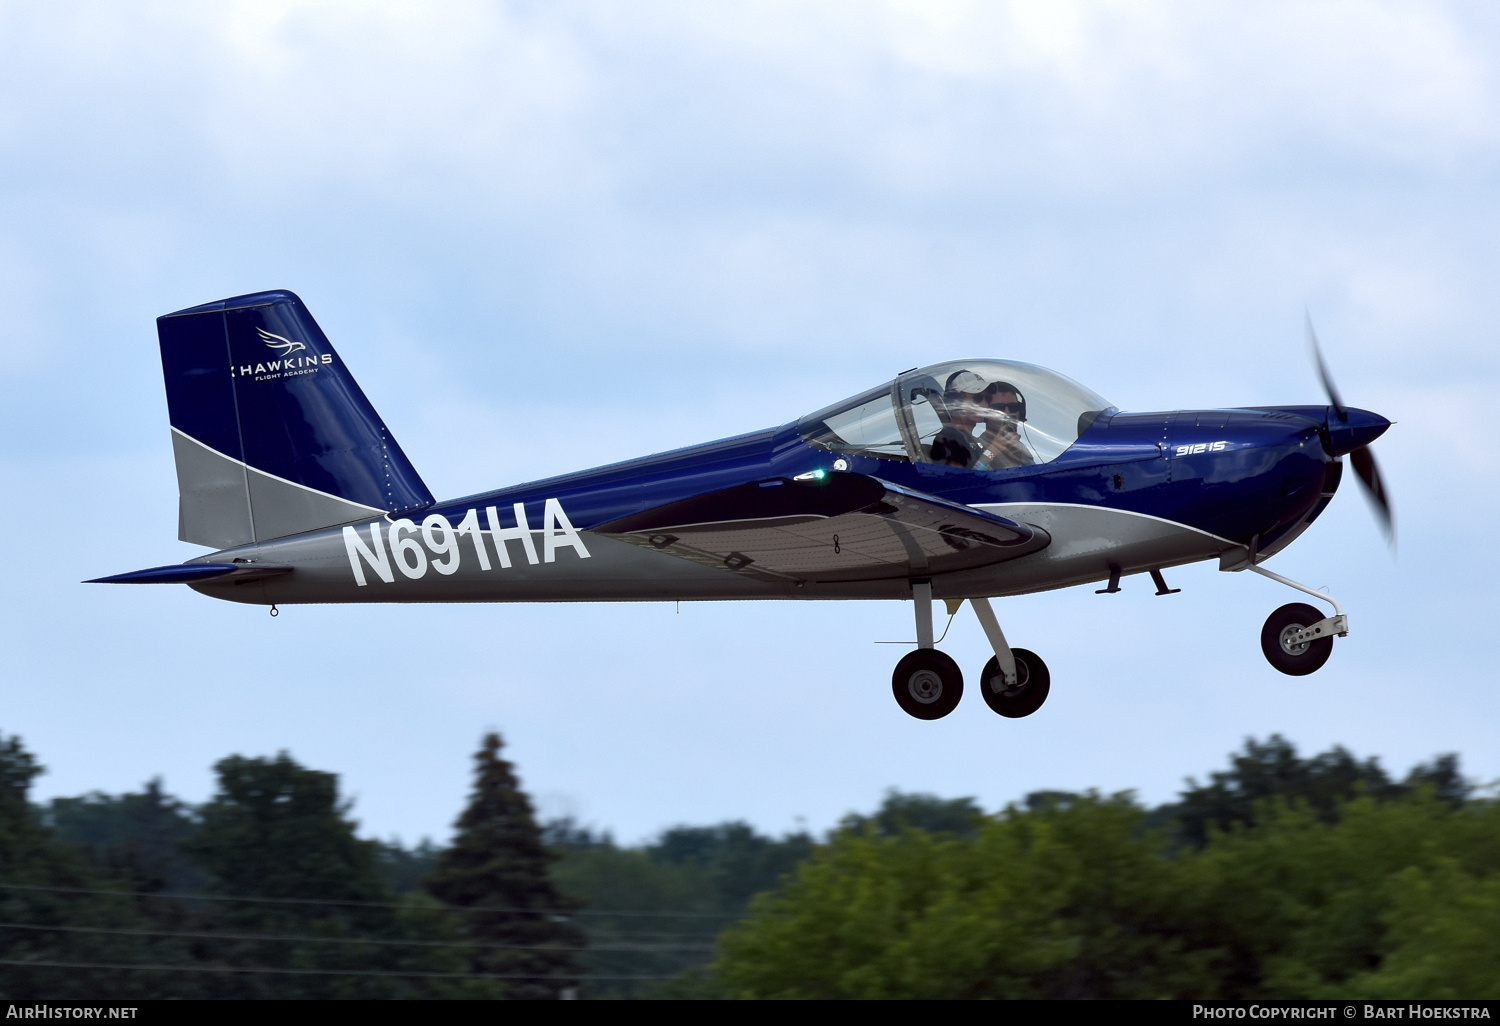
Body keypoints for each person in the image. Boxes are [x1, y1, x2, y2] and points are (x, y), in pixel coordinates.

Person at [930, 371, 1035, 470]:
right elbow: (962, 481)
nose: (985, 405)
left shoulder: (972, 442)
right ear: (956, 401)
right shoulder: (950, 436)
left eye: (986, 399)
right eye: (977, 398)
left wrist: (1015, 459)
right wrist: (993, 449)